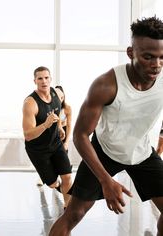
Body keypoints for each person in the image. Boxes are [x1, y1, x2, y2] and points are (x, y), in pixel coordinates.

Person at [49, 16, 163, 236]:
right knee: (74, 214)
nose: (156, 65)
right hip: (105, 151)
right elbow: (80, 135)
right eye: (148, 57)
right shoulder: (106, 85)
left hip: (141, 153)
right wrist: (105, 180)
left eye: (161, 58)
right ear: (131, 53)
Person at [22, 66, 73, 209]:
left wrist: (58, 129)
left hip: (55, 143)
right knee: (52, 184)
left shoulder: (56, 94)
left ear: (50, 79)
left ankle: (68, 207)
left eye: (46, 78)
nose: (44, 81)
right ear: (35, 81)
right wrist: (46, 124)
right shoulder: (30, 103)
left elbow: (55, 113)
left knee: (67, 176)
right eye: (40, 78)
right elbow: (28, 135)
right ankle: (57, 186)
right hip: (38, 149)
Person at [55, 85, 72, 153]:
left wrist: (67, 142)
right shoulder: (51, 107)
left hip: (63, 131)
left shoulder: (67, 108)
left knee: (64, 153)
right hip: (53, 132)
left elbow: (69, 125)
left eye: (60, 96)